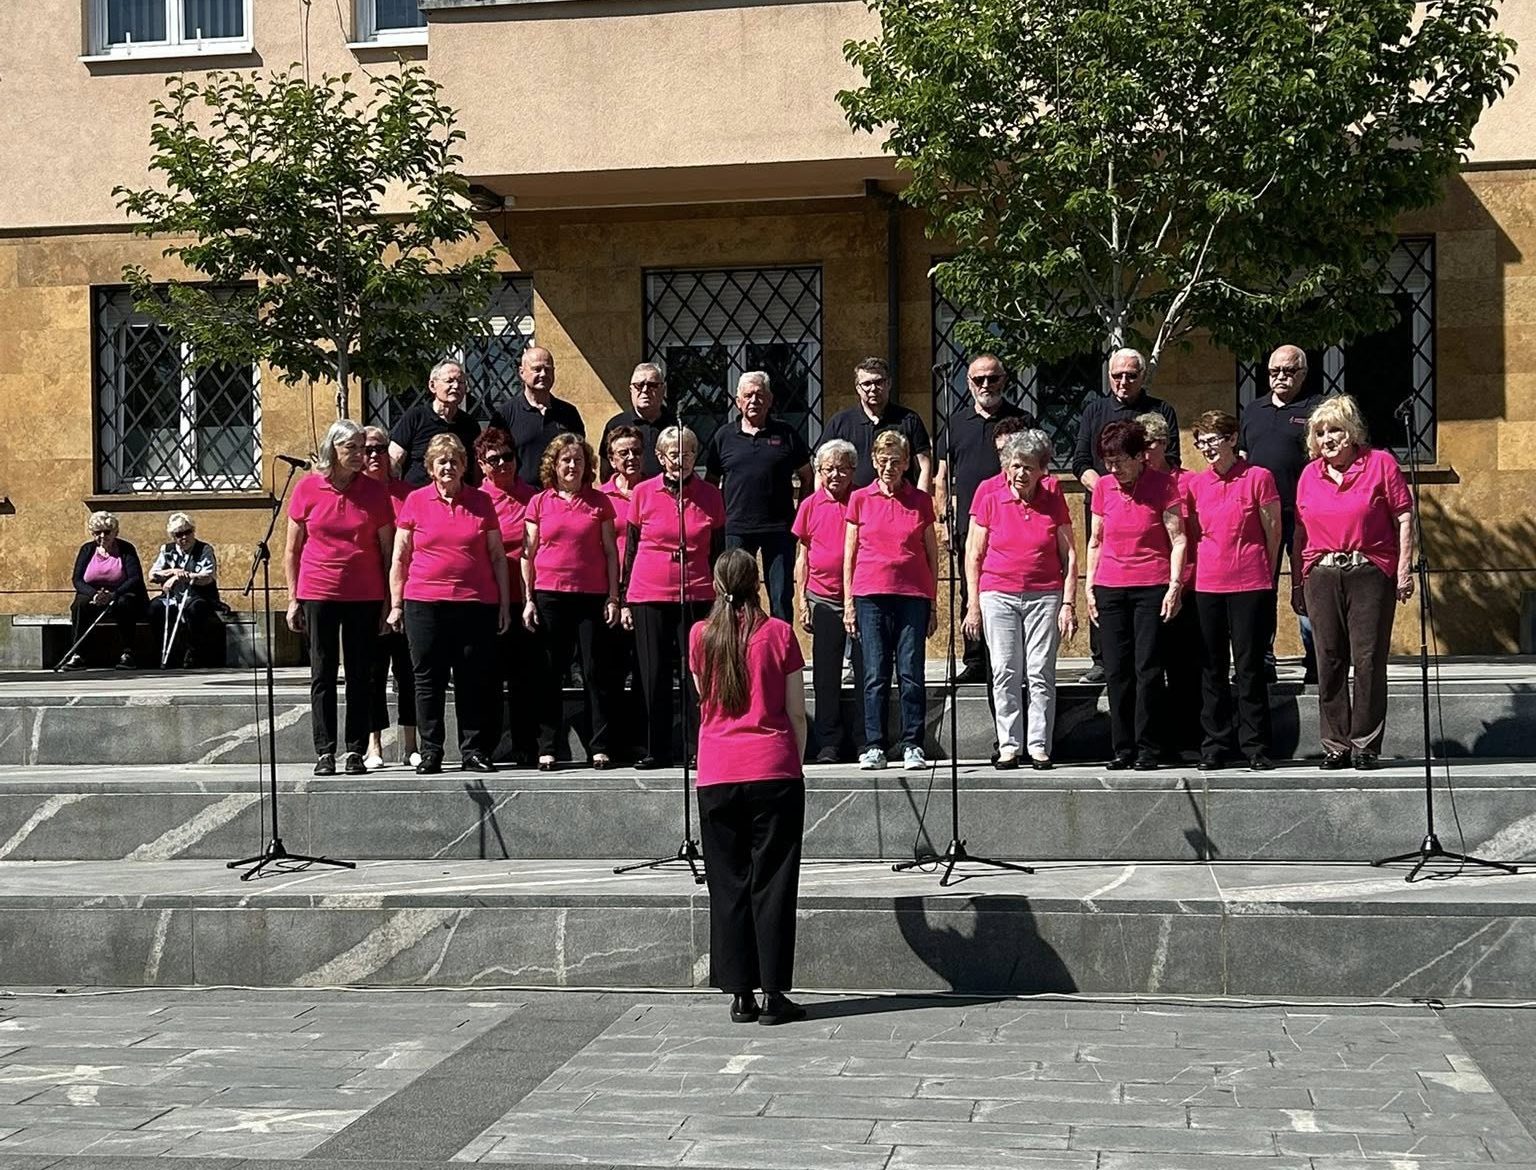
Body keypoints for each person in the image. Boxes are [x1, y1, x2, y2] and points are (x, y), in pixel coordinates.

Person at [688, 548, 808, 1026]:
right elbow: (797, 711)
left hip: (718, 771)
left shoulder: (701, 636)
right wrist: (792, 760)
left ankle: (740, 993)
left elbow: (705, 699)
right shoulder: (779, 634)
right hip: (773, 767)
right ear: (758, 583)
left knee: (728, 882)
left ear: (716, 586)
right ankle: (774, 992)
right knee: (774, 883)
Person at [1292, 394, 1413, 770]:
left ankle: (1365, 745)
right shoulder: (1309, 474)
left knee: (1368, 659)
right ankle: (1335, 744)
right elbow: (1299, 531)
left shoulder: (1380, 464)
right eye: (1320, 432)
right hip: (1322, 572)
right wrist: (1298, 580)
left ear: (1352, 433)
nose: (1327, 439)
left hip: (1369, 571)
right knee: (1328, 659)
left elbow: (1404, 517)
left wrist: (1404, 568)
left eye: (1335, 431)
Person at [387, 433, 512, 775]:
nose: (448, 466)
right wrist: (396, 604)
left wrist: (502, 603)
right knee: (427, 680)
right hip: (424, 603)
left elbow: (498, 557)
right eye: (441, 461)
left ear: (464, 466)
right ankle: (431, 751)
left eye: (454, 461)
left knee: (473, 679)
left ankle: (473, 751)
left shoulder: (481, 502)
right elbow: (400, 557)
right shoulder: (415, 501)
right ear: (430, 467)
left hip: (475, 604)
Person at [285, 420, 395, 776]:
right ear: (333, 448)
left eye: (364, 448)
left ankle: (354, 750)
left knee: (360, 674)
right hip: (319, 591)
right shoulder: (307, 488)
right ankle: (324, 751)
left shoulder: (374, 492)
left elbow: (387, 549)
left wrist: (389, 603)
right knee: (323, 671)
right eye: (353, 448)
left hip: (364, 594)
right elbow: (292, 550)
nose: (361, 455)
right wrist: (292, 598)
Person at [962, 431, 1077, 769]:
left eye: (1029, 466)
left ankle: (1039, 745)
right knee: (1004, 670)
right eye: (1015, 466)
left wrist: (1068, 603)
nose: (1022, 473)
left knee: (1041, 671)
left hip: (1044, 595)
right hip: (998, 594)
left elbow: (1069, 554)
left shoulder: (1052, 496)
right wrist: (972, 604)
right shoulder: (989, 495)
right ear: (1006, 468)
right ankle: (1010, 745)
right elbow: (973, 553)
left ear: (1041, 470)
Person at [621, 425, 727, 769]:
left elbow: (719, 551)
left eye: (687, 453)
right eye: (673, 454)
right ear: (660, 457)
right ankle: (656, 748)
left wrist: (721, 597)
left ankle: (701, 747)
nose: (680, 460)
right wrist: (623, 598)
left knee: (698, 675)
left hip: (696, 592)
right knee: (653, 675)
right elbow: (631, 549)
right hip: (649, 592)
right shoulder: (642, 492)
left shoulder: (711, 494)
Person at [1072, 348, 1180, 683]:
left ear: (1142, 376)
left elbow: (1172, 457)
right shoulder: (1095, 410)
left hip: (1150, 507)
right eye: (1117, 375)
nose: (1123, 381)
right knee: (1103, 579)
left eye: (1131, 375)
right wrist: (1106, 486)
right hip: (1106, 506)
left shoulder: (1160, 409)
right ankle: (1102, 659)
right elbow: (1080, 462)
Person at [1084, 420, 1187, 771]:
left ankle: (1148, 747)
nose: (1113, 469)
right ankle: (1122, 747)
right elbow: (1095, 540)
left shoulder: (1163, 485)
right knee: (1117, 669)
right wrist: (1089, 587)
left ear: (1140, 456)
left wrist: (1175, 585)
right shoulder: (1104, 489)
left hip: (1151, 585)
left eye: (1120, 461)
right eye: (1108, 462)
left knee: (1148, 668)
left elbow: (1178, 539)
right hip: (1111, 585)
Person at [1185, 410, 1282, 771]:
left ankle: (1255, 744)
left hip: (1250, 581)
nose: (1207, 449)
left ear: (1232, 439)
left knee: (1249, 667)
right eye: (1201, 442)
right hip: (1208, 583)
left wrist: (1267, 576)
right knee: (1211, 667)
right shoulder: (1196, 484)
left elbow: (1273, 532)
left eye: (1213, 440)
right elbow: (1195, 532)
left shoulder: (1259, 478)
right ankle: (1214, 744)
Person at [523, 432, 622, 770]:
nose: (572, 465)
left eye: (578, 460)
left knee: (595, 671)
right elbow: (528, 553)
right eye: (566, 459)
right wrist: (529, 598)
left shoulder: (599, 502)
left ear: (588, 466)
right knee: (550, 672)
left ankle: (600, 745)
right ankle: (548, 746)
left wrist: (613, 596)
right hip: (550, 595)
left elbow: (611, 552)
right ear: (554, 464)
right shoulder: (539, 502)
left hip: (591, 597)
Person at [933, 354, 1034, 684]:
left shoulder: (1021, 420)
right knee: (970, 591)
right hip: (970, 524)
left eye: (992, 378)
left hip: (1015, 524)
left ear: (1004, 380)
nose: (986, 385)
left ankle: (1012, 656)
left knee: (1014, 592)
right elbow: (942, 476)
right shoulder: (955, 424)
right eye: (979, 380)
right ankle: (975, 659)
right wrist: (943, 521)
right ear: (969, 384)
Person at [844, 430, 939, 771]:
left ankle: (912, 743)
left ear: (906, 464)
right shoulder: (860, 499)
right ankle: (874, 744)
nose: (888, 468)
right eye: (883, 461)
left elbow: (932, 554)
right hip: (870, 595)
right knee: (874, 673)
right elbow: (850, 554)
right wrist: (849, 602)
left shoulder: (920, 501)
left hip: (912, 596)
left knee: (912, 672)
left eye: (896, 462)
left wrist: (933, 601)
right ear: (873, 462)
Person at [1241, 344, 1326, 682]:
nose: (1280, 377)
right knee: (1263, 586)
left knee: (1309, 585)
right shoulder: (1253, 410)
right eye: (1275, 371)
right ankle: (1264, 657)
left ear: (1303, 373)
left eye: (1288, 371)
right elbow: (1244, 459)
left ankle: (1317, 658)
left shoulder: (1316, 409)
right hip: (1262, 515)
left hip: (1306, 513)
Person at [704, 371, 811, 623]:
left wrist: (799, 515)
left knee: (781, 595)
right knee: (737, 594)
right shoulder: (723, 437)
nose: (754, 400)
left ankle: (780, 656)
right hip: (736, 528)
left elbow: (808, 476)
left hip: (779, 528)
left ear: (770, 399)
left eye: (759, 395)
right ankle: (739, 650)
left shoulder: (786, 433)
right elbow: (710, 484)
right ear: (738, 401)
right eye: (748, 395)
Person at [793, 438, 863, 764]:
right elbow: (803, 556)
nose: (834, 475)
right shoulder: (809, 504)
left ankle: (865, 739)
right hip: (822, 598)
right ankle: (828, 743)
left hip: (861, 596)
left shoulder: (862, 500)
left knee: (866, 671)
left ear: (853, 470)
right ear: (819, 472)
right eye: (828, 469)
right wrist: (801, 600)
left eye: (841, 469)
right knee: (825, 675)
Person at [1138, 411, 1201, 758]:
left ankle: (1187, 739)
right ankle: (1153, 740)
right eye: (1138, 446)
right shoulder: (1132, 483)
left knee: (1184, 666)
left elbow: (1194, 533)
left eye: (1148, 444)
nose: (1143, 452)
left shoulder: (1187, 481)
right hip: (1146, 586)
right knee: (1148, 667)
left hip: (1186, 583)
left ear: (1163, 444)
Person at [475, 427, 539, 767]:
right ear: (482, 465)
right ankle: (483, 746)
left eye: (508, 457)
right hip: (487, 599)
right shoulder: (477, 500)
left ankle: (525, 745)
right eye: (493, 460)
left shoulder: (533, 497)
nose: (502, 465)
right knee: (486, 676)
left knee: (524, 676)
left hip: (524, 597)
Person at [362, 425, 419, 769]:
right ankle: (374, 746)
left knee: (408, 671)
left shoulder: (408, 495)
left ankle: (410, 743)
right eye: (366, 449)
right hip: (367, 595)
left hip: (409, 593)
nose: (373, 456)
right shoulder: (356, 494)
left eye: (379, 449)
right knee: (372, 672)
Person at [600, 425, 647, 756]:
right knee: (611, 671)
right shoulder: (601, 497)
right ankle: (612, 741)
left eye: (636, 452)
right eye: (623, 453)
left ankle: (642, 740)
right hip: (609, 591)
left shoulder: (655, 490)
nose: (631, 458)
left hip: (646, 590)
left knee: (645, 671)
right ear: (611, 459)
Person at [819, 358, 932, 490]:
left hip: (900, 503)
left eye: (879, 382)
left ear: (889, 383)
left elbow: (925, 466)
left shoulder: (909, 420)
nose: (873, 388)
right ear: (858, 388)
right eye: (866, 384)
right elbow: (821, 467)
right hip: (853, 506)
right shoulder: (840, 423)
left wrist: (921, 502)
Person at [64, 511, 148, 670]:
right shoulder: (87, 550)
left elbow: (134, 578)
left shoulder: (126, 549)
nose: (102, 536)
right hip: (93, 593)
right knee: (79, 605)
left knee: (125, 604)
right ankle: (78, 654)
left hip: (121, 592)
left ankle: (127, 653)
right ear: (92, 533)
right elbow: (77, 579)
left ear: (115, 532)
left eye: (107, 532)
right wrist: (93, 594)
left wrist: (113, 595)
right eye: (97, 533)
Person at [494, 347, 586, 489]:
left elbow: (581, 456)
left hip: (561, 497)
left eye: (548, 369)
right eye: (537, 369)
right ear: (521, 373)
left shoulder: (568, 413)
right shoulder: (505, 415)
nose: (543, 374)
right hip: (522, 501)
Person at [388, 360, 483, 488]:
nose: (456, 386)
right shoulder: (415, 417)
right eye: (449, 381)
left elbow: (477, 468)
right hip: (417, 498)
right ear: (433, 385)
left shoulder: (470, 424)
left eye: (460, 382)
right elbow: (394, 459)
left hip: (458, 501)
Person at [147, 512, 219, 669]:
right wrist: (174, 572)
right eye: (179, 534)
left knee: (195, 609)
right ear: (173, 536)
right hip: (173, 597)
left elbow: (208, 576)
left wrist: (184, 577)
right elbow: (152, 575)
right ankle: (164, 651)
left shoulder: (204, 549)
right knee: (155, 608)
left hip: (197, 595)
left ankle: (192, 652)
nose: (184, 538)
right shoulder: (166, 549)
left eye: (188, 532)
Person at [600, 361, 675, 479]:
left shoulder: (676, 425)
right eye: (639, 385)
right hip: (629, 495)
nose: (645, 390)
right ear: (631, 390)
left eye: (652, 385)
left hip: (667, 494)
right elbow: (605, 472)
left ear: (663, 389)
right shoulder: (615, 425)